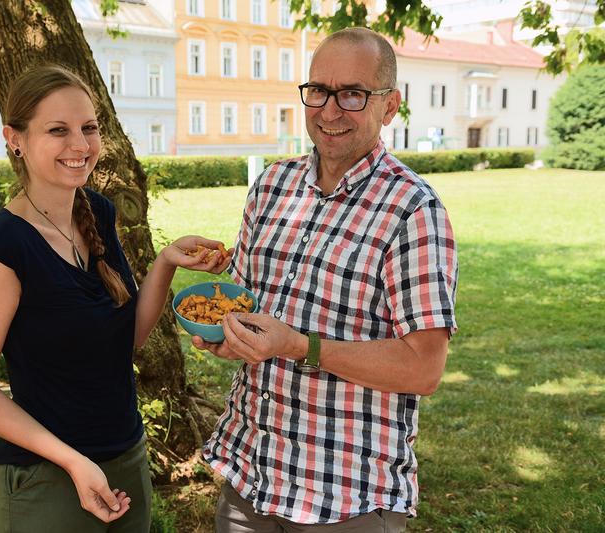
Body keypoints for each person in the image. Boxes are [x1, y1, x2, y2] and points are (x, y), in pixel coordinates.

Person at [195, 27, 458, 532]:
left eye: (353, 94)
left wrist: (297, 345)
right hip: (249, 477)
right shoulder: (271, 186)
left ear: (390, 106)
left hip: (344, 496)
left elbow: (423, 368)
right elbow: (248, 310)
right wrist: (227, 337)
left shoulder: (413, 211)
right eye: (319, 90)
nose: (330, 110)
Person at [0, 64, 230, 532]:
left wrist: (165, 263)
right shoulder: (3, 245)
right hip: (47, 479)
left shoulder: (95, 212)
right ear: (14, 138)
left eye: (89, 127)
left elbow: (130, 338)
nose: (80, 145)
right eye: (58, 130)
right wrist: (73, 462)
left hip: (125, 457)